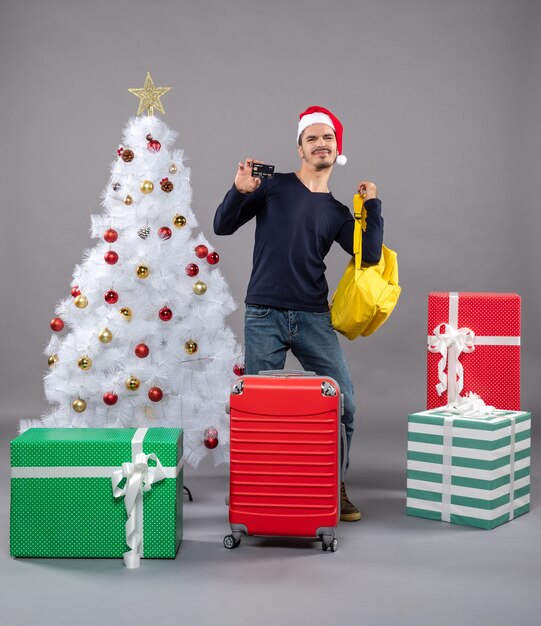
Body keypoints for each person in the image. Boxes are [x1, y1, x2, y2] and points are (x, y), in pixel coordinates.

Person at [214, 106, 384, 522]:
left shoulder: (340, 213)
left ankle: (333, 485)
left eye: (327, 138)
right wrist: (238, 189)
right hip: (264, 315)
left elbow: (371, 254)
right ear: (300, 148)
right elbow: (222, 226)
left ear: (336, 148)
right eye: (312, 138)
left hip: (313, 317)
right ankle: (252, 486)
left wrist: (372, 206)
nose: (321, 144)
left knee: (343, 404)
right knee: (258, 407)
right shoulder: (272, 186)